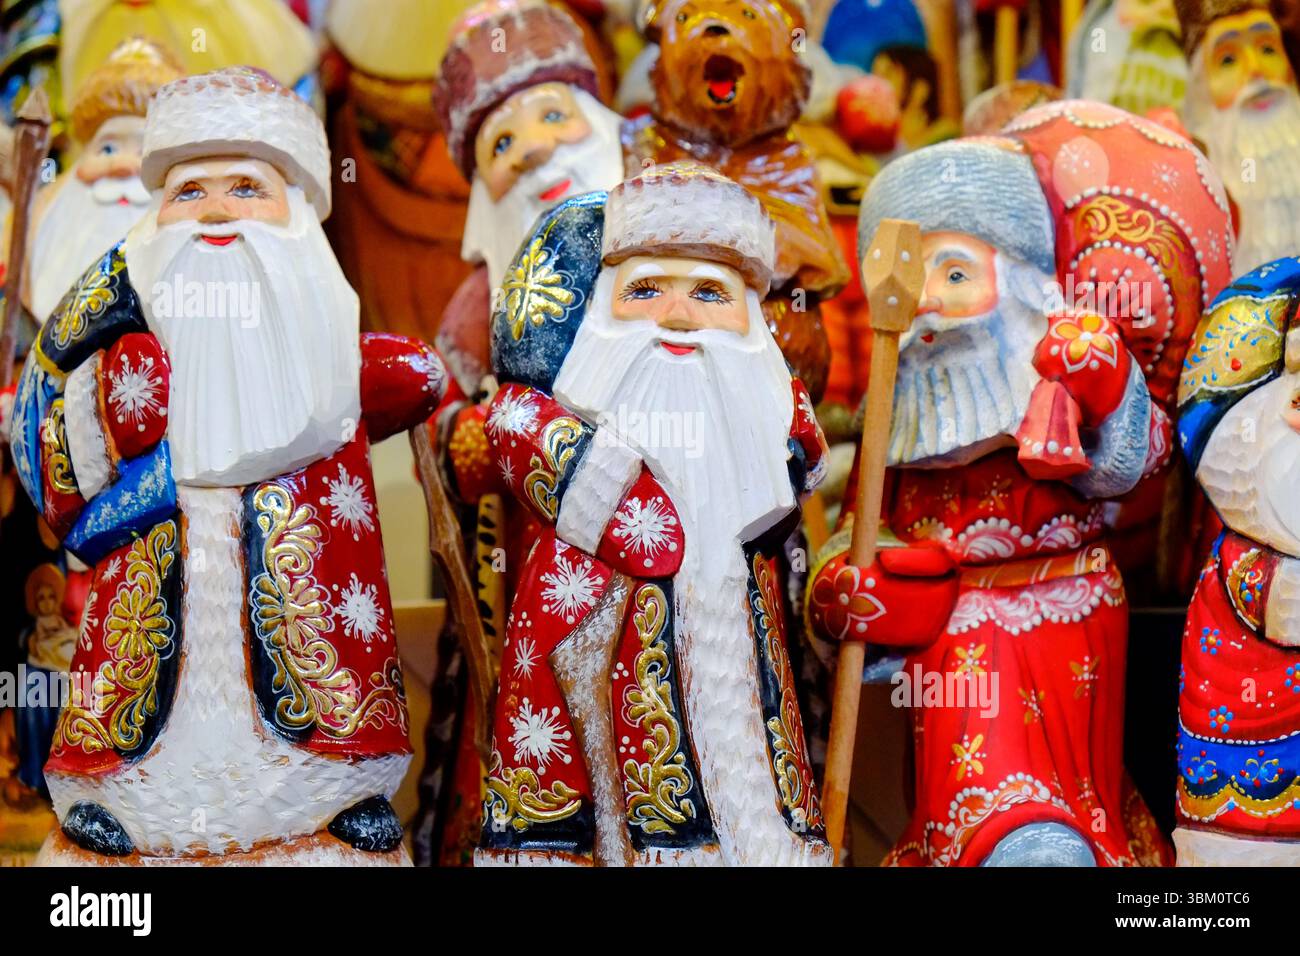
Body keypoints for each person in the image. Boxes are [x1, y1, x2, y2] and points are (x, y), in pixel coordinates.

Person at [8, 67, 448, 865]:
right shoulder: (125, 321)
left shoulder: (322, 354)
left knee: (321, 676)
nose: (215, 208)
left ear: (295, 211)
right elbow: (57, 396)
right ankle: (120, 803)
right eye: (189, 190)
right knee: (144, 671)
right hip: (157, 544)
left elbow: (402, 378)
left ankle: (332, 797)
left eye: (247, 186)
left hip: (303, 559)